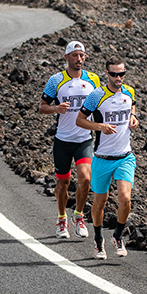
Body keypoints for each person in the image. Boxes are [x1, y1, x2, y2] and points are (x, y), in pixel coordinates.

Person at [76, 57, 139, 260]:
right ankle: (98, 240)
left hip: (125, 157)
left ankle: (118, 237)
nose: (118, 78)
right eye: (114, 74)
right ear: (107, 74)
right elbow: (80, 120)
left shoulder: (129, 92)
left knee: (125, 199)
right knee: (100, 202)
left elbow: (132, 106)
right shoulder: (97, 96)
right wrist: (100, 127)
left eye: (121, 74)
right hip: (102, 158)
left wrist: (133, 117)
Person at [39, 40, 101, 239]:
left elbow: (100, 105)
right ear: (67, 58)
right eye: (74, 55)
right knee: (62, 184)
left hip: (84, 139)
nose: (79, 59)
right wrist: (57, 108)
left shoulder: (93, 79)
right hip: (63, 140)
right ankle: (61, 219)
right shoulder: (56, 80)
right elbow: (42, 107)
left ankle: (79, 215)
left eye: (82, 55)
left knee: (86, 178)